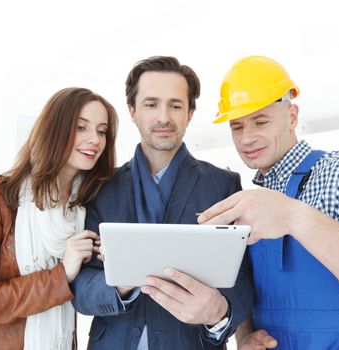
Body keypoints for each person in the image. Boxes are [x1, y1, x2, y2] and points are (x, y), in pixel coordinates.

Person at [198, 56, 339, 349]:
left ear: (292, 116)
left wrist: (295, 217)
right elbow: (246, 286)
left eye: (260, 121)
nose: (247, 138)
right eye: (237, 127)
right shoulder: (246, 205)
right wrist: (244, 334)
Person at [71, 56, 253, 349]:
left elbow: (242, 276)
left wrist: (218, 311)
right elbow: (81, 286)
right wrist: (125, 277)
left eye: (176, 105)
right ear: (132, 110)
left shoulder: (223, 185)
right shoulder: (100, 187)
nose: (164, 117)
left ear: (190, 113)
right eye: (151, 104)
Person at [0, 87, 118, 350]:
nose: (94, 139)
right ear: (54, 130)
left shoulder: (86, 208)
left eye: (101, 130)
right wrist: (59, 277)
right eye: (81, 127)